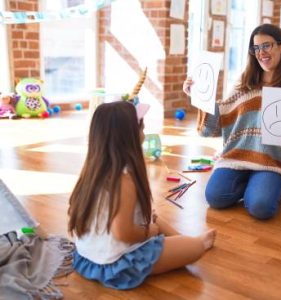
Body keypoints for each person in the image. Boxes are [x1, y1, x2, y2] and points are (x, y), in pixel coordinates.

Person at [67, 100, 216, 290]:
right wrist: (150, 231)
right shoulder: (124, 180)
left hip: (87, 256)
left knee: (152, 216)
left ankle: (184, 240)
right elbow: (122, 233)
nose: (144, 135)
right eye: (142, 128)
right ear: (128, 137)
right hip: (116, 264)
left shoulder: (93, 169)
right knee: (194, 249)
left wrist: (150, 226)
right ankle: (193, 242)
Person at [183, 24, 281, 220]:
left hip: (271, 163)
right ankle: (256, 186)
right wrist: (197, 94)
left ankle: (266, 187)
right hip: (236, 158)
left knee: (260, 207)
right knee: (214, 198)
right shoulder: (243, 83)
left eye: (267, 46)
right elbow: (221, 117)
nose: (261, 52)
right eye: (256, 48)